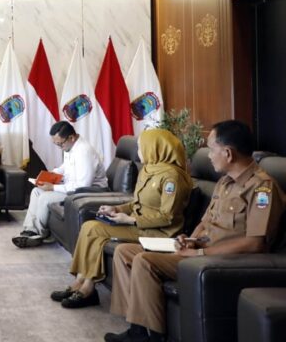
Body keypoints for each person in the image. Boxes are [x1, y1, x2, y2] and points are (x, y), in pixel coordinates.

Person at [105, 120, 285, 342]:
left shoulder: (262, 188)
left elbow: (255, 243)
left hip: (221, 260)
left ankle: (149, 336)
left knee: (144, 261)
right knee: (124, 252)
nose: (208, 156)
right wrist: (190, 239)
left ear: (228, 153)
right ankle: (138, 326)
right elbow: (206, 221)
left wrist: (200, 253)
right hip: (200, 251)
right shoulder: (224, 183)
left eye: (211, 149)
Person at [50, 128, 193, 309]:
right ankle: (81, 282)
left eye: (141, 147)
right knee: (89, 227)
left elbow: (168, 217)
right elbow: (136, 203)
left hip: (158, 232)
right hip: (139, 225)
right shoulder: (149, 169)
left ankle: (88, 289)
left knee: (95, 230)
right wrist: (116, 208)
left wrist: (130, 220)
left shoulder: (173, 177)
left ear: (154, 148)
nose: (138, 152)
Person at [12, 121, 108, 248]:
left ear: (71, 137)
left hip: (87, 192)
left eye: (60, 144)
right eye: (56, 144)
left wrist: (53, 187)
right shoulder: (70, 146)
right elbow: (65, 167)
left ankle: (38, 235)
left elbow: (82, 186)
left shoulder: (84, 152)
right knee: (36, 192)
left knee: (45, 197)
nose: (59, 147)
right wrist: (51, 174)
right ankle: (30, 230)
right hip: (72, 187)